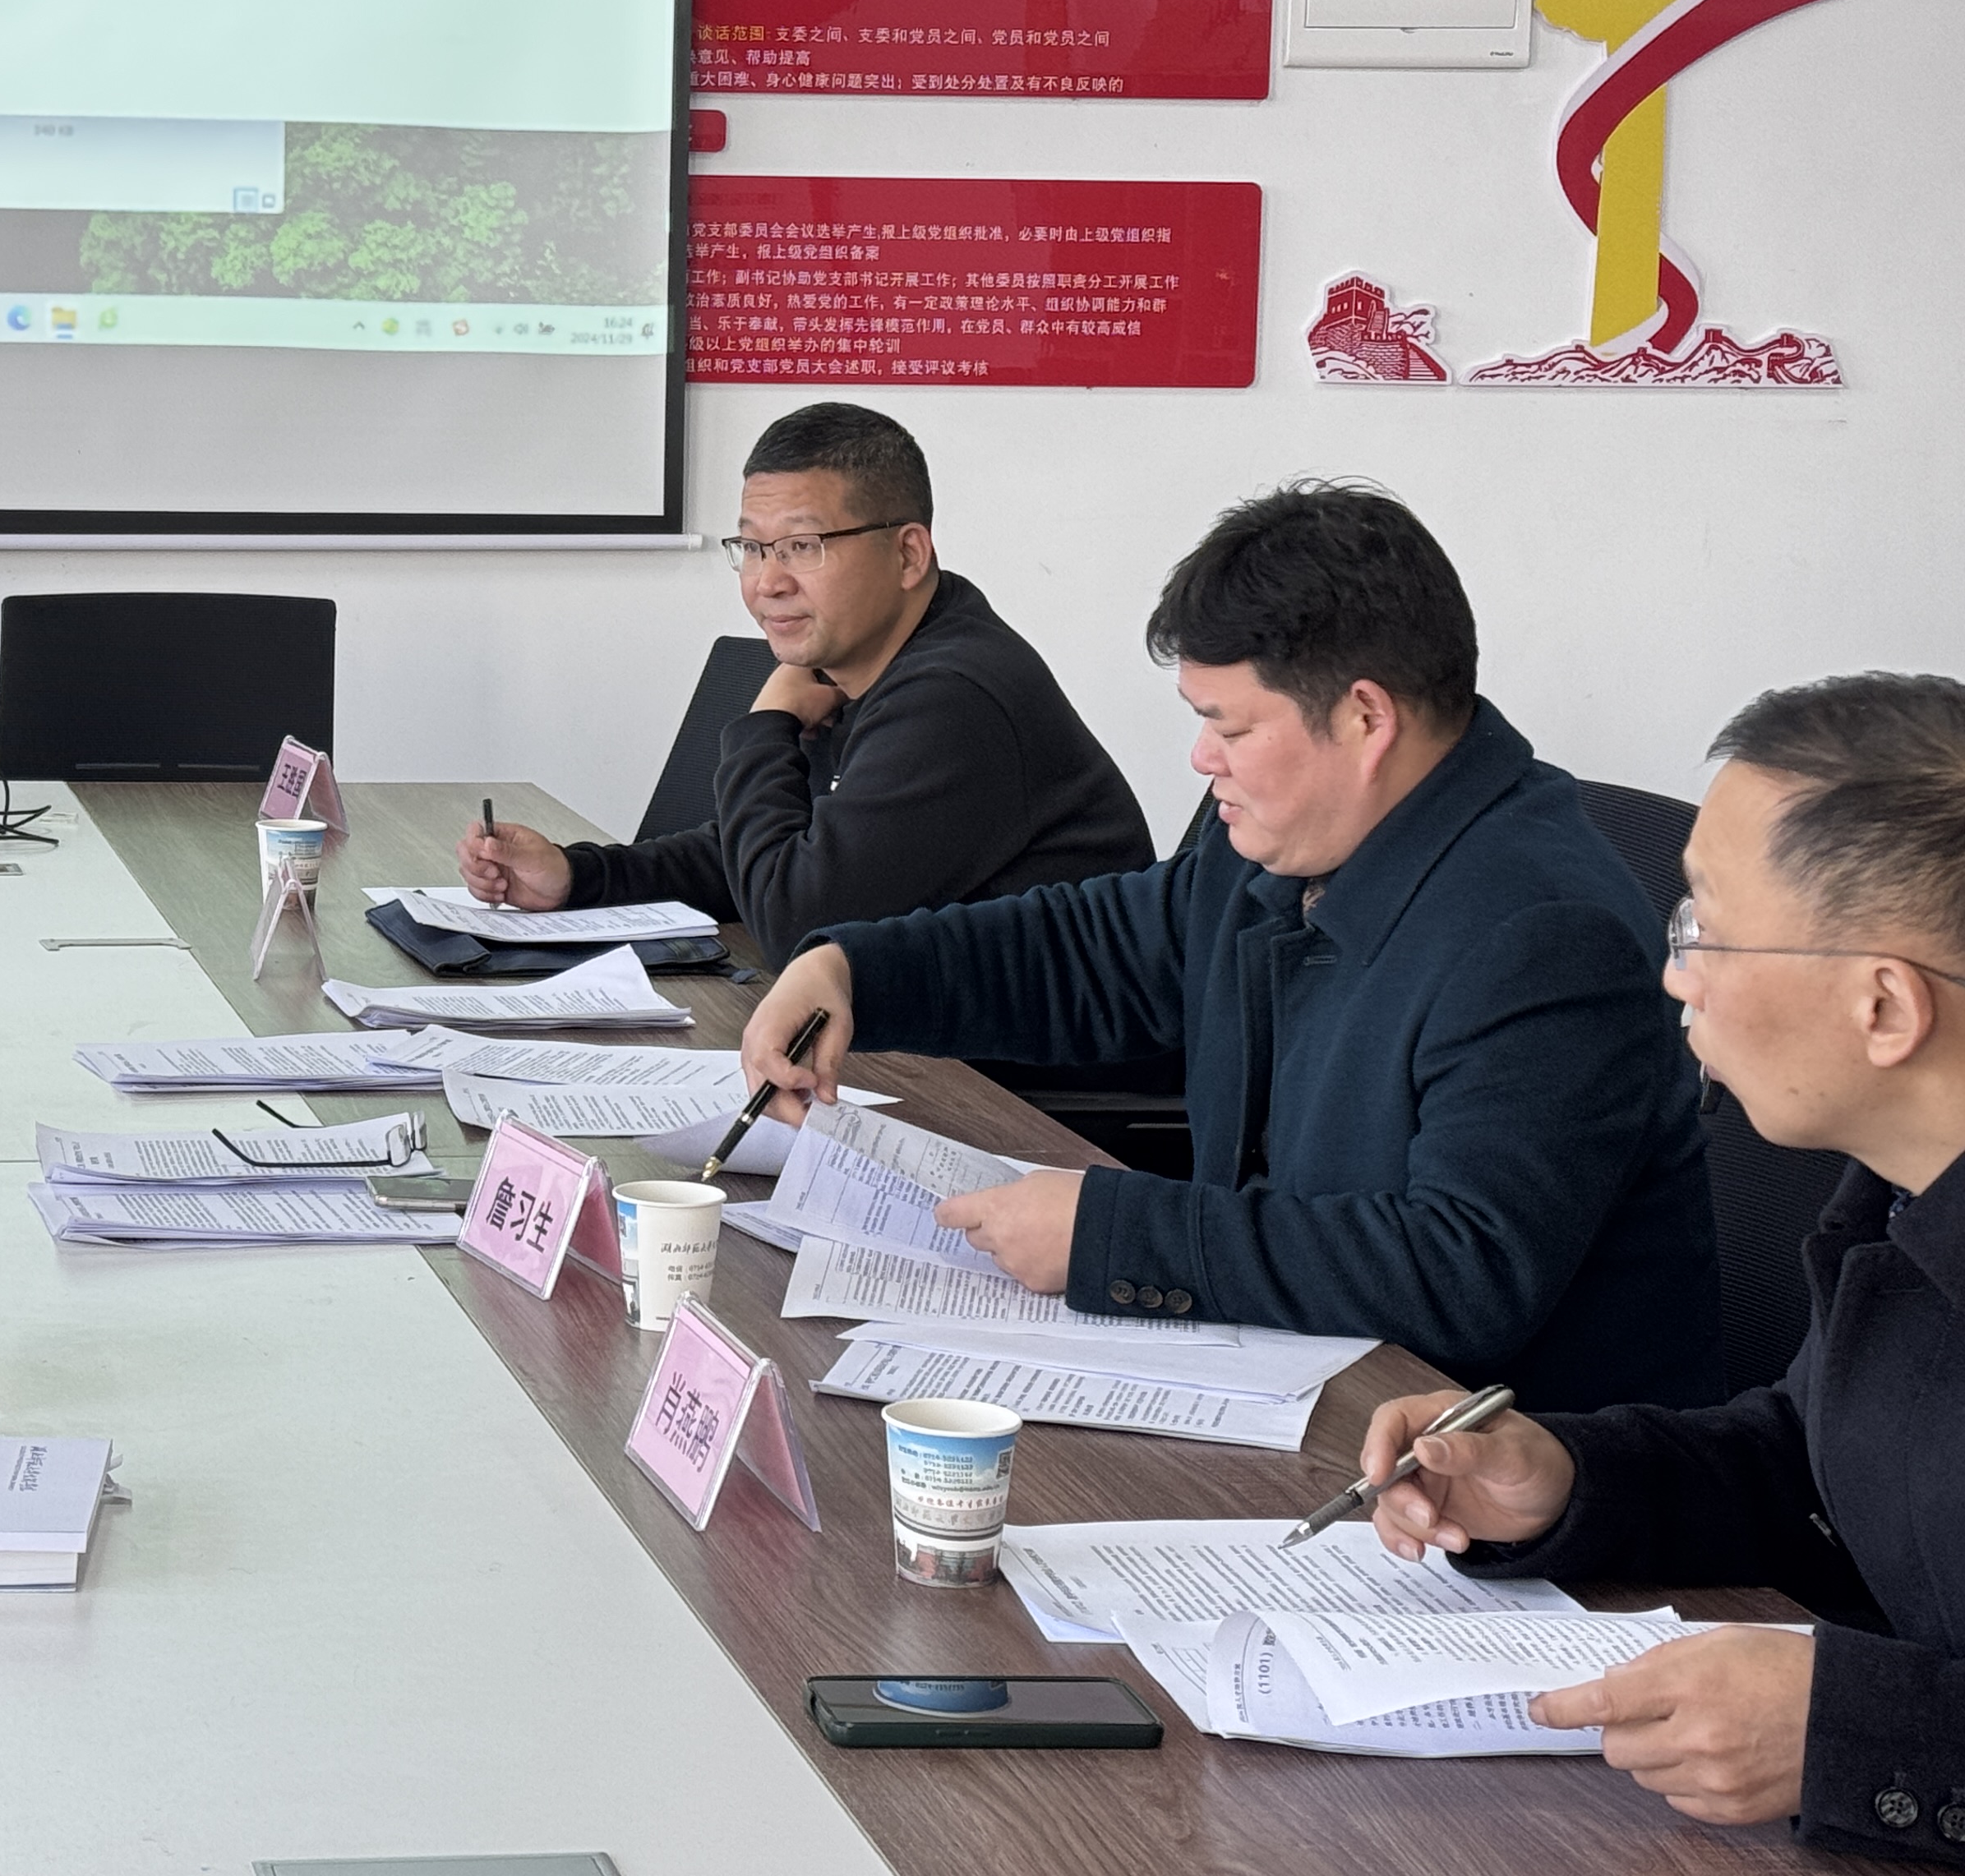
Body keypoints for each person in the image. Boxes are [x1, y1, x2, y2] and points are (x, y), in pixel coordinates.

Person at [737, 481, 1721, 1412]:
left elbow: (1461, 1268)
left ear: (1365, 718)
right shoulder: (1284, 845)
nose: (1203, 758)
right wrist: (851, 970)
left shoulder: (1543, 936)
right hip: (1291, 1385)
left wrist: (1114, 1233)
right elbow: (1092, 950)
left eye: (1230, 728)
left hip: (1481, 1475)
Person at [1363, 673, 1965, 1854]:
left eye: (1708, 933)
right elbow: (1813, 1467)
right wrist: (1564, 1479)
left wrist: (1858, 1735)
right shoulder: (1898, 1197)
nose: (1674, 974)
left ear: (1885, 1009)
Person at [460, 403, 1151, 960]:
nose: (768, 581)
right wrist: (579, 877)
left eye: (801, 546)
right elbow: (767, 854)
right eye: (752, 548)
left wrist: (767, 725)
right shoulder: (878, 660)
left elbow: (797, 921)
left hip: (1011, 1082)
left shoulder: (953, 696)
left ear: (908, 554)